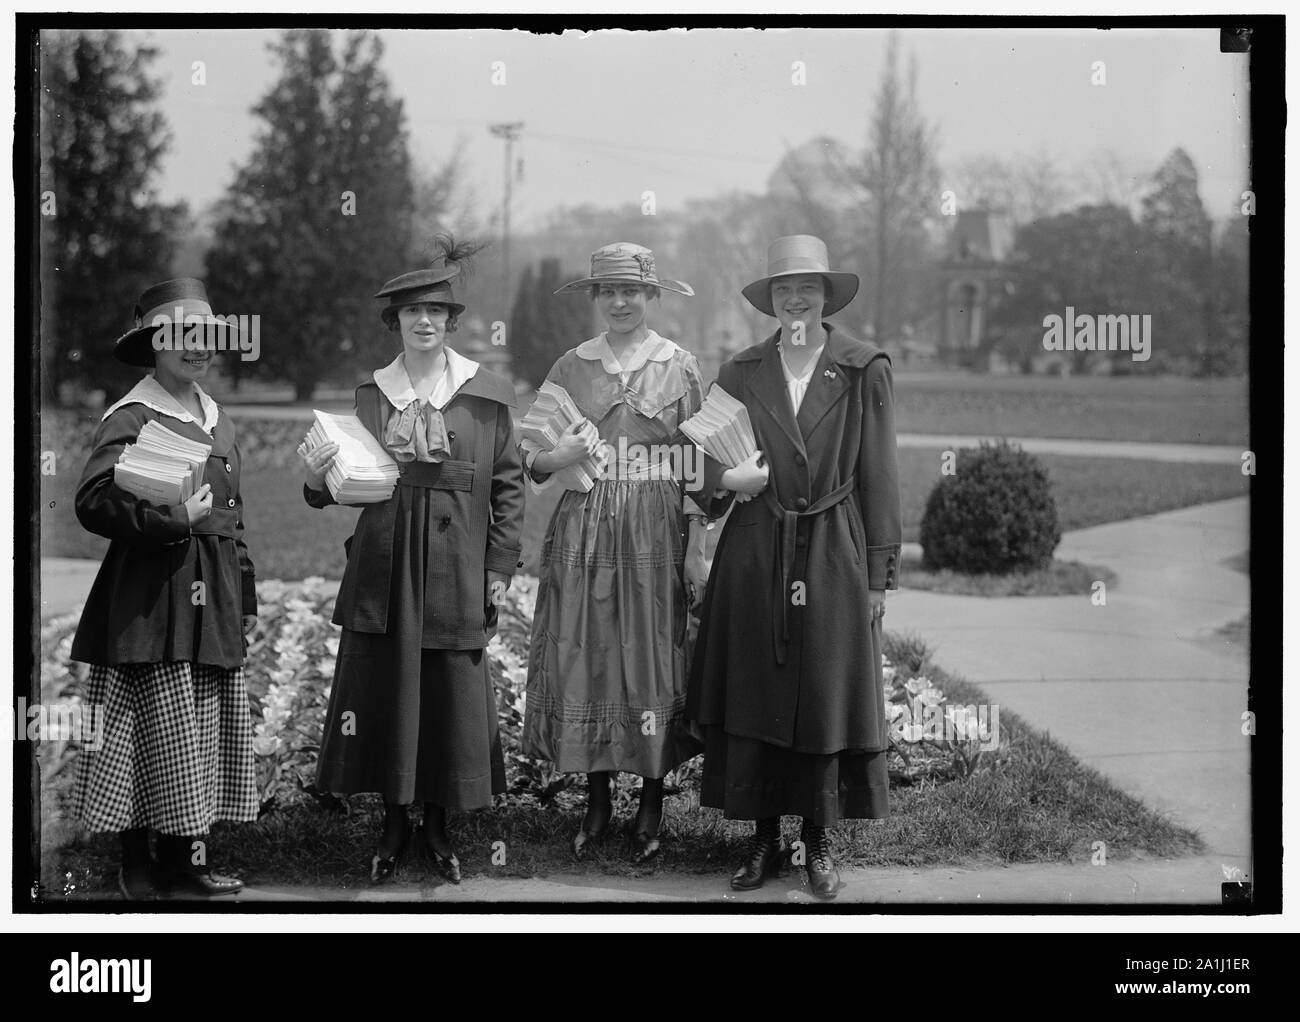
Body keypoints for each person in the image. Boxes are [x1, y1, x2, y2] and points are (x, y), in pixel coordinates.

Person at [301, 235, 524, 884]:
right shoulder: (371, 395)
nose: (423, 323)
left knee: (445, 694)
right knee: (387, 691)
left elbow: (508, 489)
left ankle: (440, 826)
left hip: (457, 566)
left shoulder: (487, 396)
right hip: (386, 564)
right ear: (395, 324)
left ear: (451, 324)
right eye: (410, 315)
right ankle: (395, 823)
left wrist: (500, 569)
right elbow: (344, 481)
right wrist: (316, 479)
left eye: (435, 315)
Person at [687, 235, 902, 898]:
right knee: (756, 689)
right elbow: (701, 470)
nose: (796, 299)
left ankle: (817, 845)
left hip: (834, 550)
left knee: (822, 695)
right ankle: (760, 843)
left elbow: (880, 478)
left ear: (827, 295)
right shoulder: (740, 370)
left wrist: (876, 577)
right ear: (771, 301)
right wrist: (730, 479)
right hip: (755, 549)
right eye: (784, 290)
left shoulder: (863, 368)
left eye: (808, 287)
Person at [70, 277, 259, 899]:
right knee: (142, 726)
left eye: (207, 337)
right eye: (183, 336)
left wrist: (245, 592)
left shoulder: (219, 420)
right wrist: (174, 520)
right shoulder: (134, 414)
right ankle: (136, 863)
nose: (198, 348)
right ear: (155, 343)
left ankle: (185, 862)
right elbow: (94, 500)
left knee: (195, 730)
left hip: (213, 593)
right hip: (151, 596)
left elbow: (233, 519)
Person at [520, 243, 709, 863]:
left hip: (656, 527)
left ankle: (652, 803)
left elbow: (699, 467)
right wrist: (563, 457)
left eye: (633, 291)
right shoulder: (571, 366)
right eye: (609, 292)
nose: (621, 302)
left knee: (652, 652)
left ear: (652, 298)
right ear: (595, 299)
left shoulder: (680, 367)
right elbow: (533, 461)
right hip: (586, 525)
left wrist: (695, 548)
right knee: (591, 648)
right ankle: (597, 799)